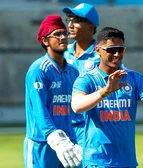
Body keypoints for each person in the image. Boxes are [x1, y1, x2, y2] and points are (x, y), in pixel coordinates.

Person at [71, 27, 143, 167]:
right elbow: (76, 106)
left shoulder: (134, 78)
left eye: (120, 49)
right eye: (111, 50)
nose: (116, 54)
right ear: (98, 50)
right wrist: (105, 91)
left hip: (126, 161)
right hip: (97, 161)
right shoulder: (86, 79)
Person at [23, 14, 82, 168]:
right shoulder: (38, 70)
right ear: (45, 40)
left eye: (64, 33)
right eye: (57, 34)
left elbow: (77, 110)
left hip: (68, 144)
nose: (63, 37)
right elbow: (39, 109)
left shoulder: (73, 72)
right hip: (42, 143)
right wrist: (55, 137)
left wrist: (81, 137)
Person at [62, 3, 100, 147]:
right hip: (62, 128)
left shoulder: (103, 56)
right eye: (69, 20)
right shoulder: (62, 53)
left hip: (91, 128)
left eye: (76, 20)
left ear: (90, 26)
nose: (70, 25)